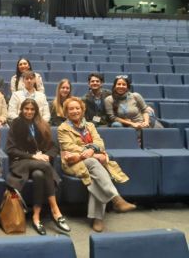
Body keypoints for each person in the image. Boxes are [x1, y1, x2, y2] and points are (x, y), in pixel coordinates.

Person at [58, 97, 136, 232]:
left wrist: (92, 149)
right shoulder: (63, 128)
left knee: (97, 175)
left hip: (90, 160)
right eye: (71, 109)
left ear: (82, 110)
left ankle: (98, 218)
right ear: (66, 112)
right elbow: (69, 147)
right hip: (73, 163)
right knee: (94, 162)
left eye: (77, 108)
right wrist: (93, 153)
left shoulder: (90, 125)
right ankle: (116, 199)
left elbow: (100, 143)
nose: (75, 111)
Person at [6, 99, 70, 235]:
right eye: (26, 109)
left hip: (38, 164)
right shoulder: (16, 124)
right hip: (21, 162)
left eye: (32, 109)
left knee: (39, 175)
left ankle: (36, 216)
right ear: (22, 110)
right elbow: (11, 150)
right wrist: (33, 157)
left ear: (36, 111)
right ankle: (55, 210)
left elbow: (54, 146)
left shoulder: (41, 124)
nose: (29, 112)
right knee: (45, 166)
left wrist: (48, 156)